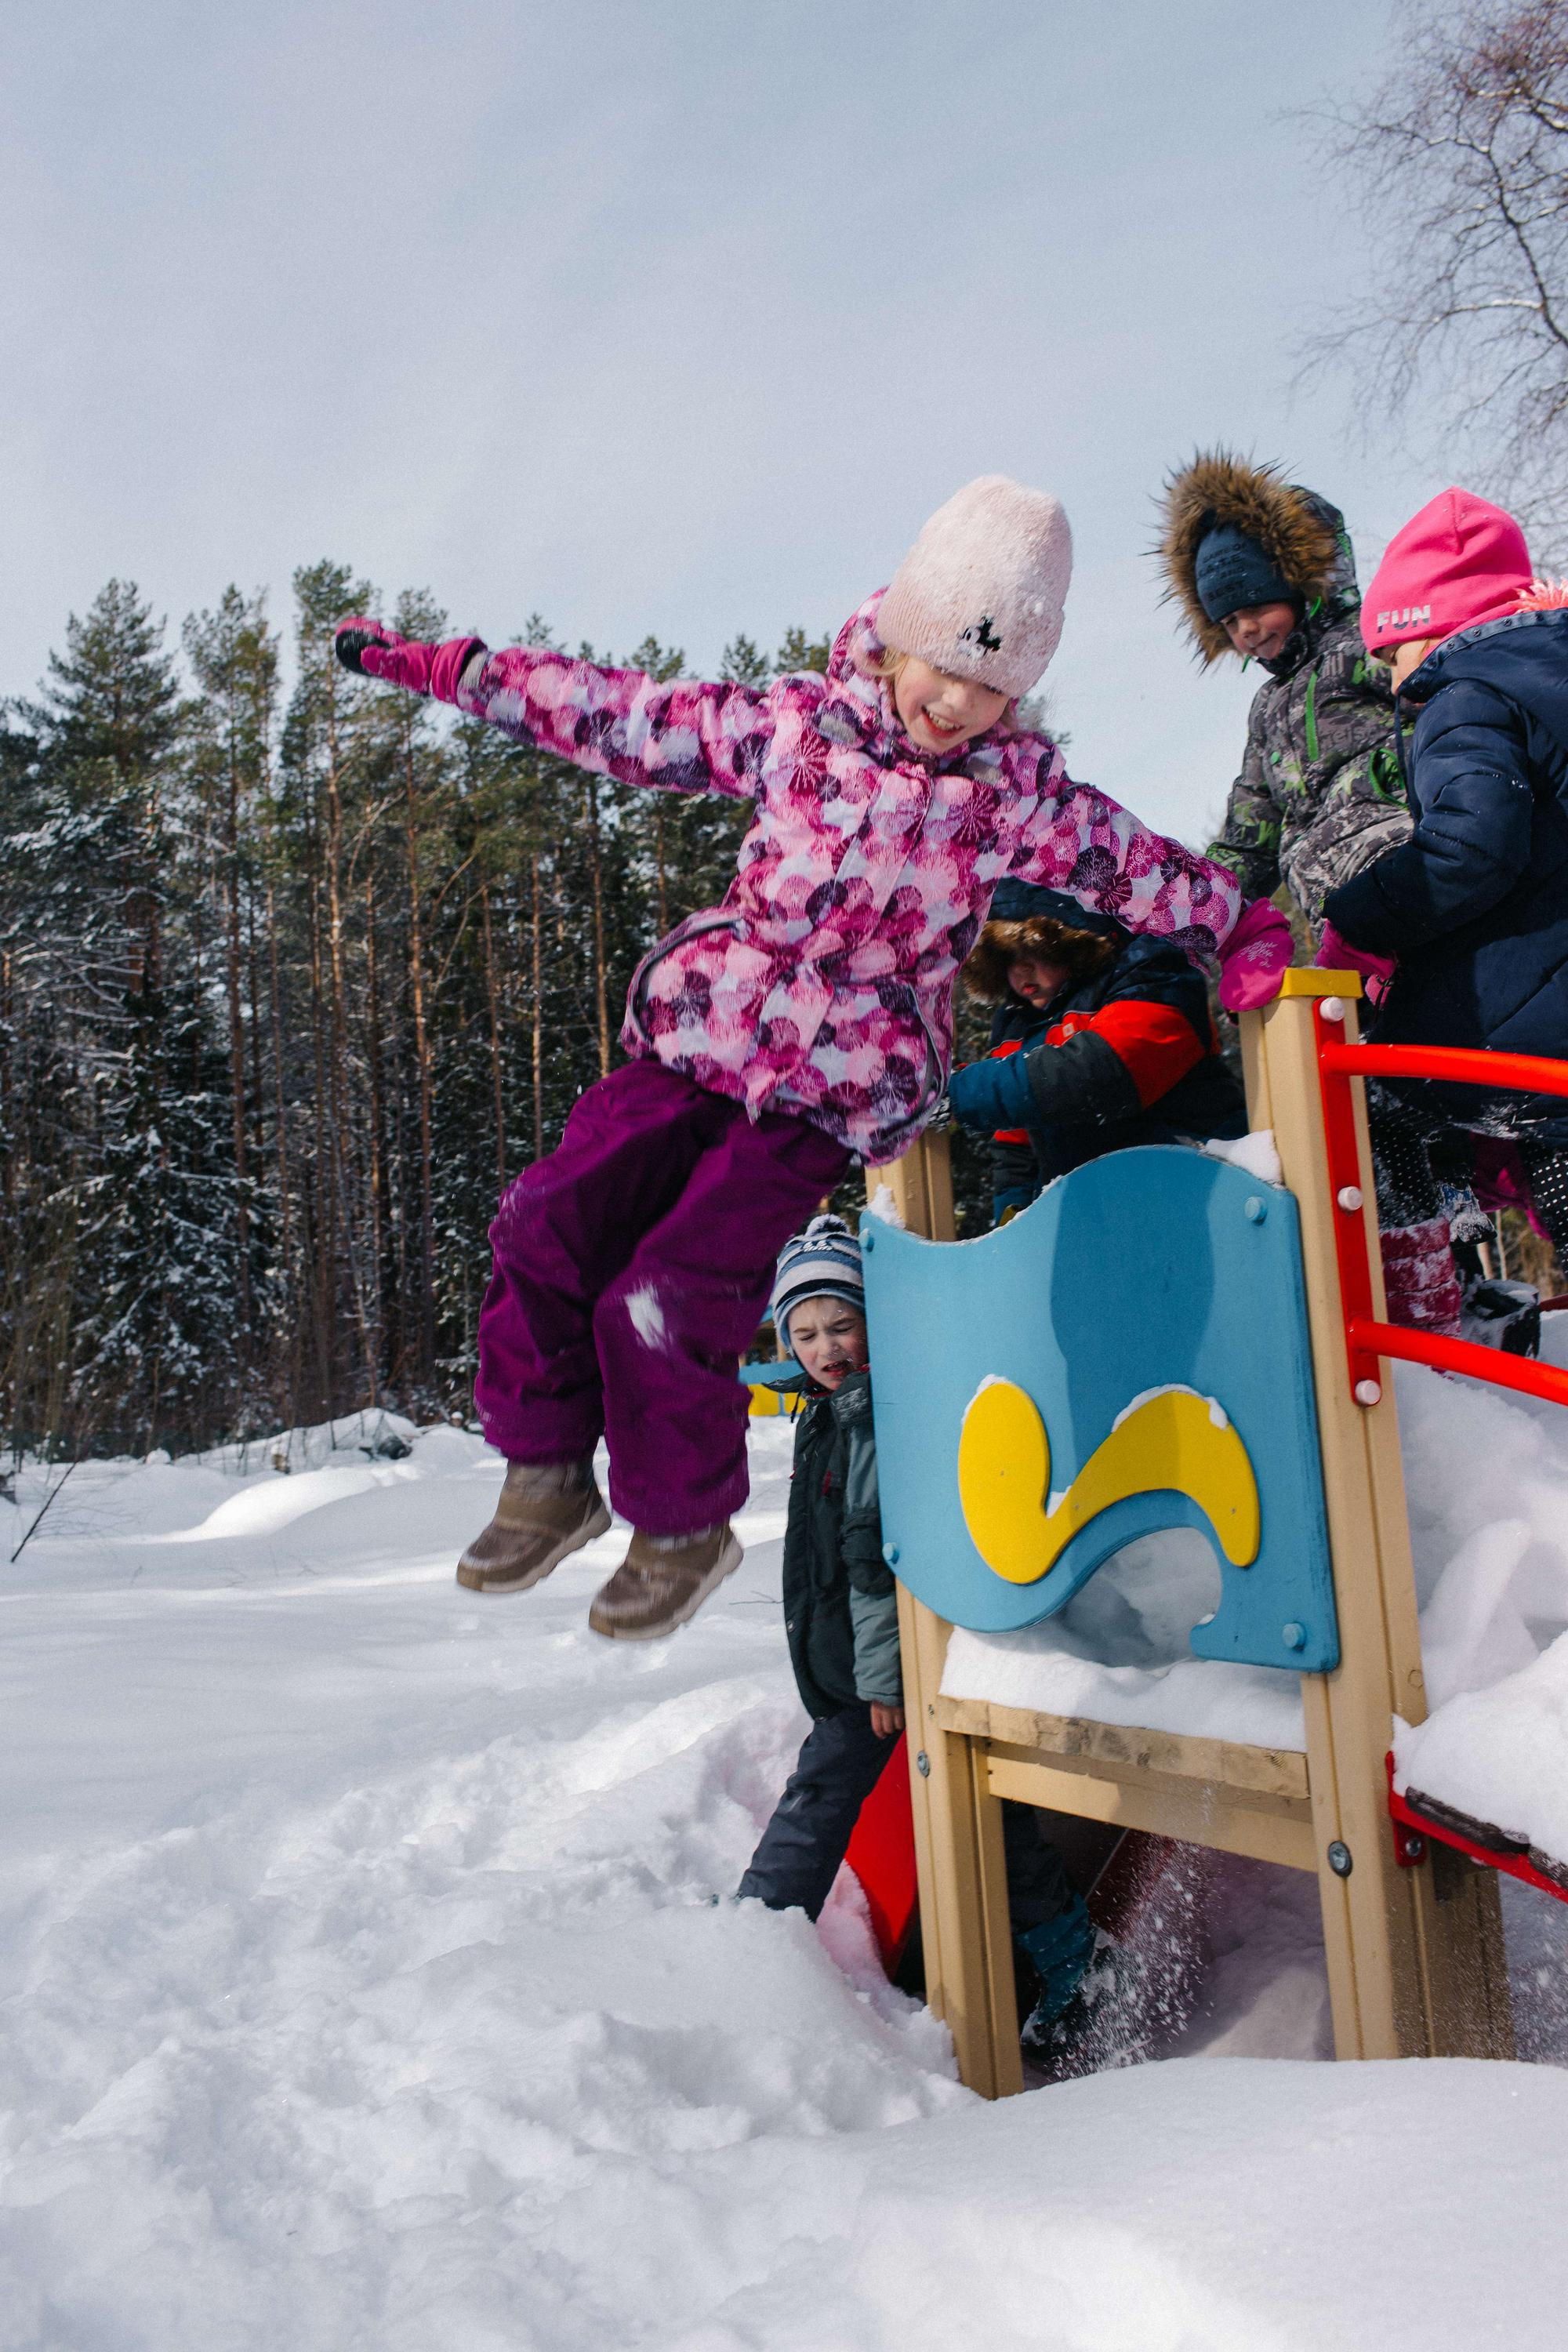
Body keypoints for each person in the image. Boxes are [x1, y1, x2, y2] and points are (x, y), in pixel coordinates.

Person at [336, 475, 1269, 1642]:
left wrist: (1239, 926)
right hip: (703, 1029)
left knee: (666, 1290)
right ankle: (545, 1473)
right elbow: (619, 714)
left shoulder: (1019, 798)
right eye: (943, 665)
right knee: (543, 1219)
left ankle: (680, 1524)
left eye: (991, 686)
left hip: (833, 1085)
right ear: (897, 638)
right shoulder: (793, 726)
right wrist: (456, 670)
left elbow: (1139, 866)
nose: (956, 703)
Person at [736, 1216, 1102, 2048]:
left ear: (873, 1320)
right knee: (980, 1809)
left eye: (839, 1324)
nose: (823, 1347)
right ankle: (1074, 1956)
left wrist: (875, 1681)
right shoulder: (829, 1404)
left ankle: (752, 1929)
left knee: (822, 1792)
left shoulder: (866, 1415)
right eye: (803, 1333)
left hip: (885, 1666)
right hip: (872, 1659)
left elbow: (869, 1559)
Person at [1317, 486, 1568, 1331]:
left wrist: (1359, 922)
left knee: (1368, 1096)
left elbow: (1470, 846)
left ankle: (1422, 1311)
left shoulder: (1465, 695)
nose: (1393, 685)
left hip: (1529, 1014)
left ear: (1424, 626)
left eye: (1389, 656)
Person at [1159, 449, 1408, 929]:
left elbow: (1447, 707)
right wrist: (1190, 909)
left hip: (1409, 866)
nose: (1246, 630)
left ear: (1298, 586)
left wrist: (1395, 775)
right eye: (1229, 621)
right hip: (1336, 919)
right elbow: (1251, 833)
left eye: (1254, 606)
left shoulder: (1369, 646)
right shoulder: (1267, 708)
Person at [946, 879, 1249, 1219]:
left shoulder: (1150, 969)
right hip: (1093, 1217)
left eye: (1031, 949)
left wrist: (958, 1094)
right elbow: (1017, 1142)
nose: (1019, 970)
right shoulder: (1015, 1021)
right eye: (1005, 957)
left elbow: (1104, 1072)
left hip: (1201, 1191)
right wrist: (1017, 1216)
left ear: (1068, 939)